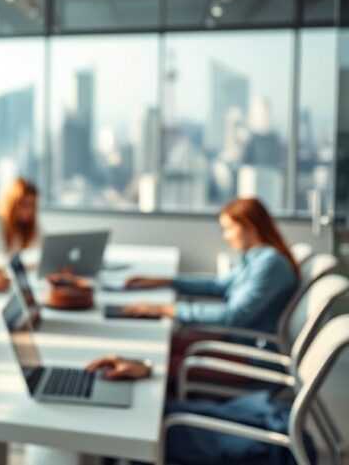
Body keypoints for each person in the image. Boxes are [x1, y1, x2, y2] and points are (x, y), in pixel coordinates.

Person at [119, 197, 298, 334]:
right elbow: (217, 285)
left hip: (250, 353)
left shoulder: (270, 264)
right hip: (234, 339)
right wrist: (164, 281)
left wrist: (165, 309)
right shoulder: (255, 259)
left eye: (229, 228)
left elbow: (232, 316)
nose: (226, 236)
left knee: (160, 355)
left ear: (249, 226)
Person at [84, 357, 312, 464]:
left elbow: (233, 313)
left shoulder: (271, 265)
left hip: (256, 365)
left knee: (141, 420)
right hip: (271, 421)